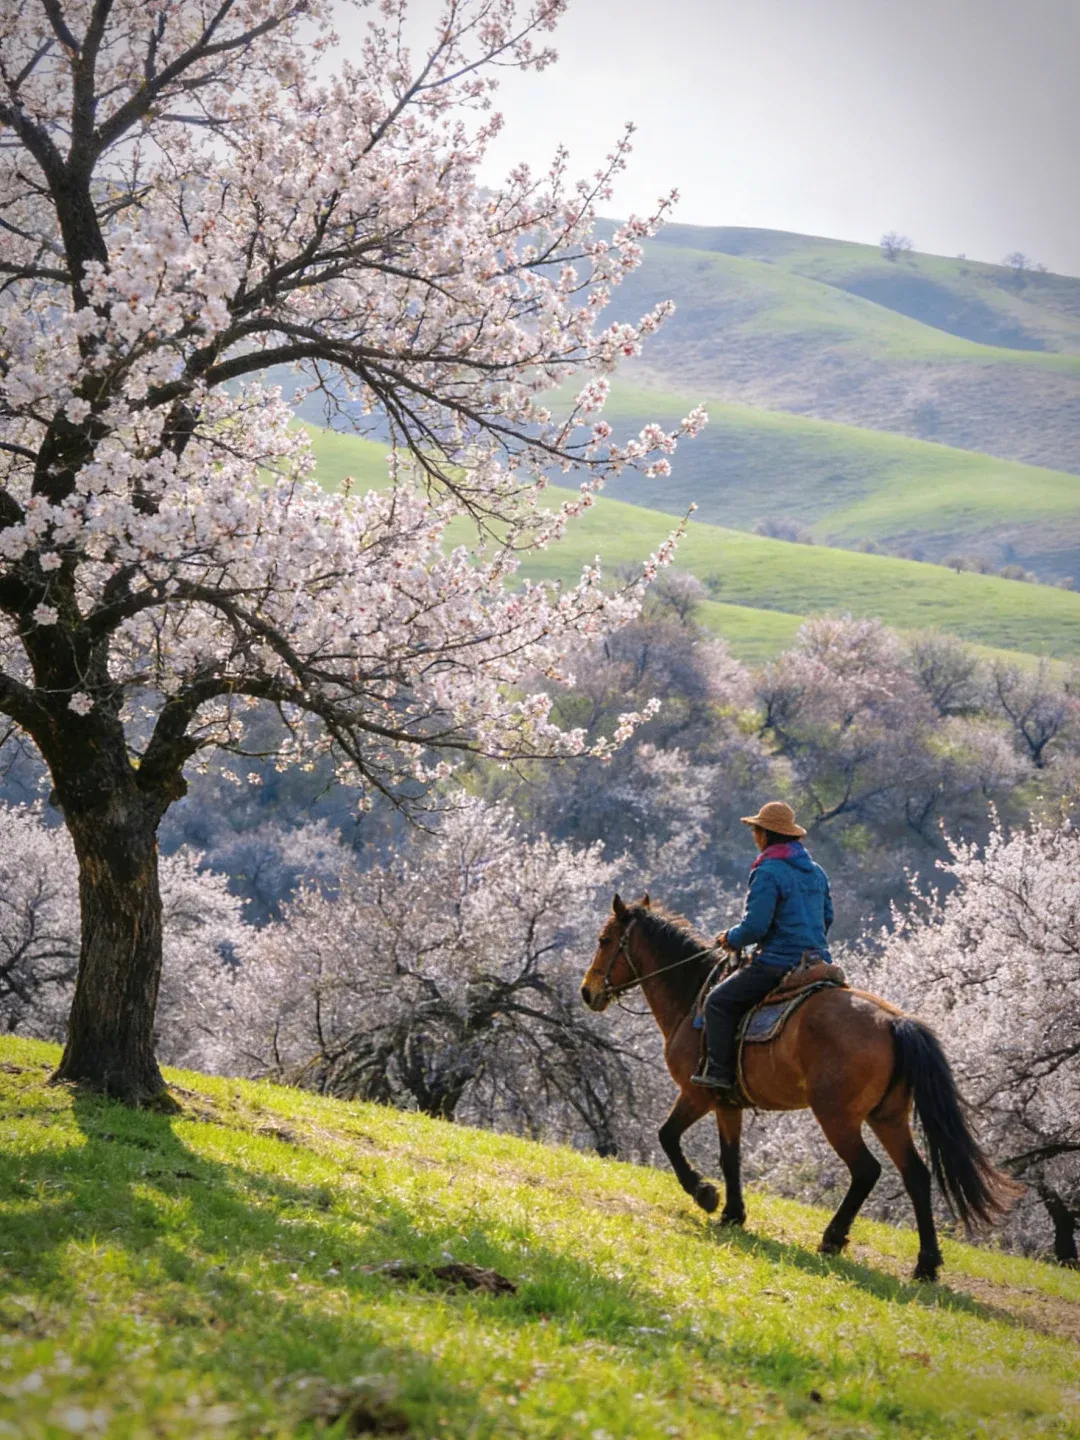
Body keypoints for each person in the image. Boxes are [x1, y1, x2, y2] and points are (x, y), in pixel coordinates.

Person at [692, 801, 833, 1099]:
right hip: (818, 962)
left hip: (778, 963)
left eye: (756, 831)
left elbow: (755, 927)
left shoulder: (768, 871)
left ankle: (720, 1073)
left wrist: (730, 938)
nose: (755, 837)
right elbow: (827, 918)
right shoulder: (817, 872)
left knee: (717, 1002)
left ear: (766, 835)